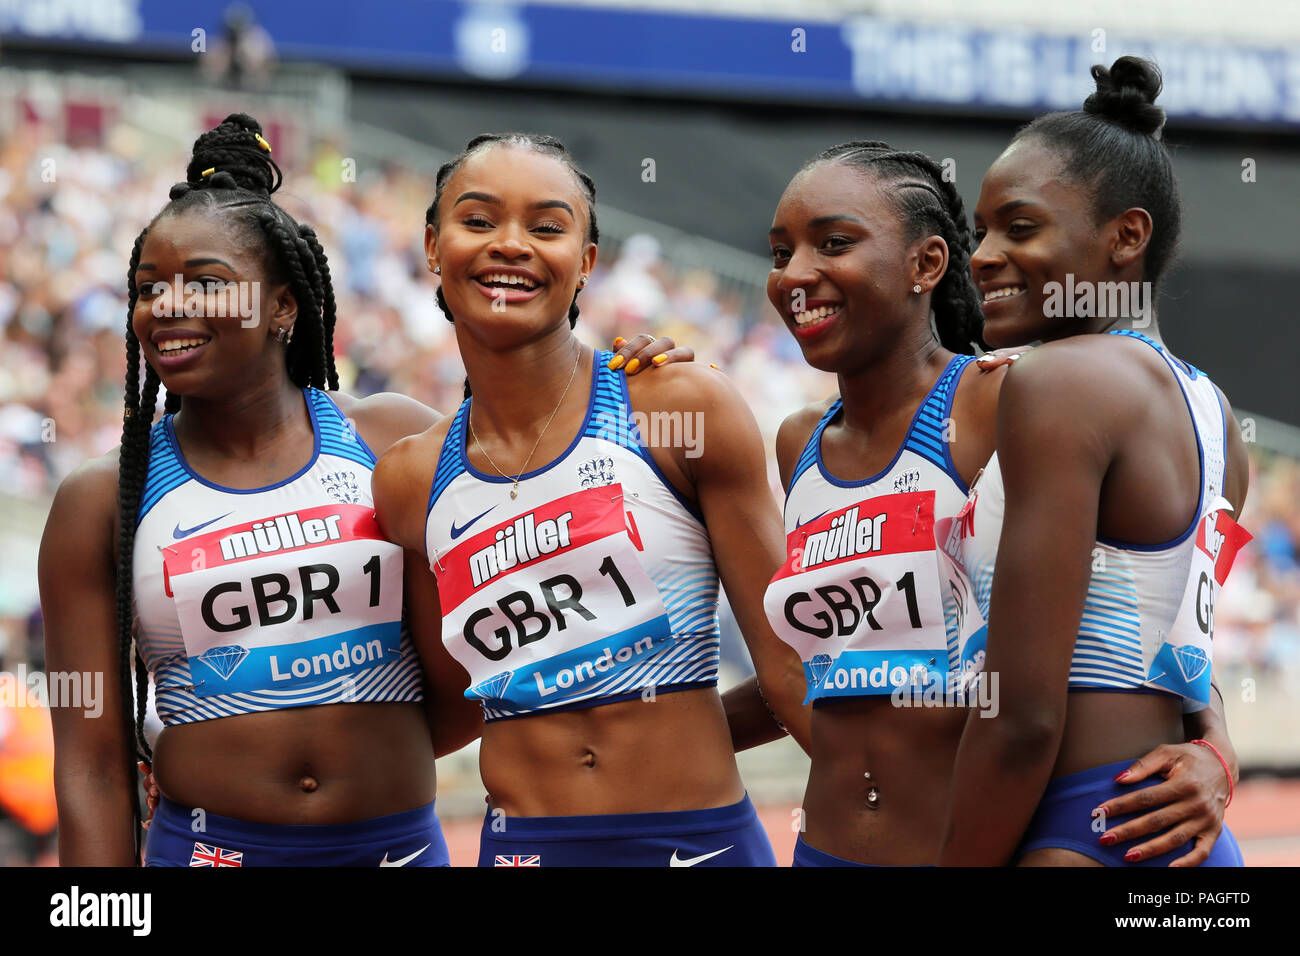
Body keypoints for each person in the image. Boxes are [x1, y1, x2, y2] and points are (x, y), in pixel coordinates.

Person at [41, 114, 683, 866]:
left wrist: (625, 381)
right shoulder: (103, 498)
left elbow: (476, 655)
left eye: (206, 284)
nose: (168, 308)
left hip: (395, 848)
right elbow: (89, 762)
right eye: (150, 290)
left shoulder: (394, 443)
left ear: (284, 306)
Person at [763, 134, 1241, 867]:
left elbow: (1068, 684)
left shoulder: (1018, 394)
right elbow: (1171, 639)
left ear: (927, 264)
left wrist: (1214, 748)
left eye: (833, 243)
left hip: (1022, 834)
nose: (798, 274)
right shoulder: (801, 443)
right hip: (836, 844)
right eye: (779, 252)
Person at [373, 132, 811, 867]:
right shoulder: (410, 481)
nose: (510, 245)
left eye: (547, 227)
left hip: (696, 845)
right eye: (478, 221)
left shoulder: (677, 406)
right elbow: (448, 715)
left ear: (586, 263)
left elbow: (797, 667)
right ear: (430, 246)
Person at [940, 57, 1248, 866]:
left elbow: (1022, 718)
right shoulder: (1215, 416)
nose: (983, 255)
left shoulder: (1059, 381)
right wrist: (1217, 750)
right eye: (981, 231)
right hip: (1178, 834)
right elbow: (1183, 657)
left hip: (1077, 831)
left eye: (1021, 227)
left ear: (1127, 236)